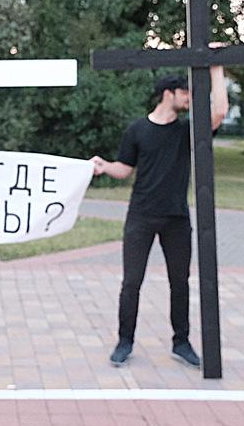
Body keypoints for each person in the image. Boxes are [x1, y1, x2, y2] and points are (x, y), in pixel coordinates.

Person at [91, 65, 228, 368]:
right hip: (141, 216)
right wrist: (104, 166)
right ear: (169, 94)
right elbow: (124, 169)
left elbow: (219, 111)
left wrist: (216, 70)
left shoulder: (186, 130)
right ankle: (124, 342)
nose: (190, 98)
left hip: (176, 218)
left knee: (180, 282)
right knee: (131, 282)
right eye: (185, 92)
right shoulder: (137, 130)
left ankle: (182, 342)